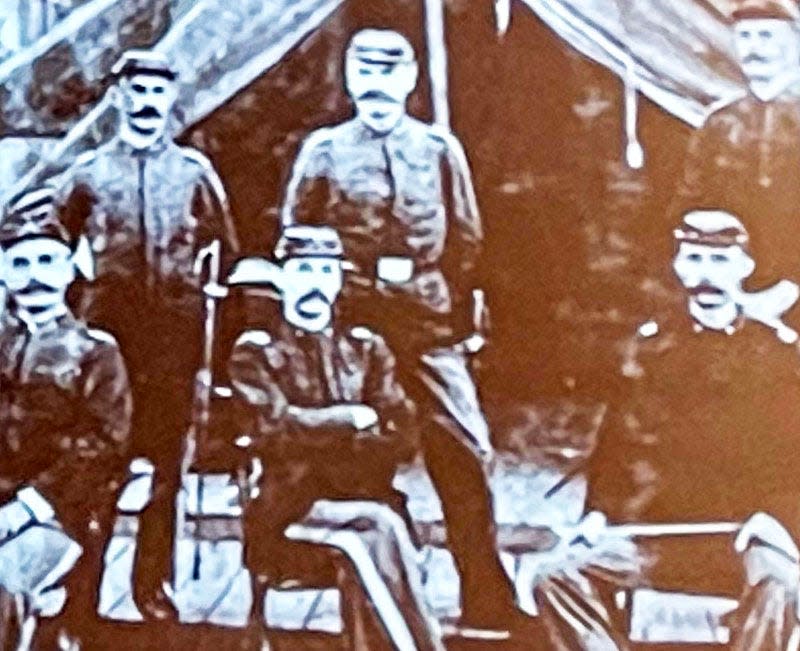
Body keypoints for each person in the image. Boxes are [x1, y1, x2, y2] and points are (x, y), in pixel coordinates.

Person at [281, 28, 524, 631]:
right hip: (353, 329)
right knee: (355, 452)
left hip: (427, 327)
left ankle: (485, 596)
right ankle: (367, 601)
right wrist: (349, 277)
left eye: (391, 71)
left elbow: (466, 239)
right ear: (349, 79)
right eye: (365, 71)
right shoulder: (324, 151)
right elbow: (295, 237)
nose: (378, 83)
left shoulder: (440, 150)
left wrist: (436, 295)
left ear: (410, 81)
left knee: (465, 451)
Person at [546, 209, 800, 649]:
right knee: (557, 575)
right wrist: (598, 515)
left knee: (779, 587)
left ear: (746, 267)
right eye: (695, 259)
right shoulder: (650, 347)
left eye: (720, 261)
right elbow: (617, 449)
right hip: (657, 536)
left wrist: (777, 520)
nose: (706, 275)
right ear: (678, 266)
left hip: (744, 534)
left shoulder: (778, 354)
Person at [54, 49, 239, 617]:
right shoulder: (87, 172)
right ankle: (80, 593)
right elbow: (51, 242)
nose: (147, 103)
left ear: (171, 101)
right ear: (117, 97)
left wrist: (208, 302)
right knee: (101, 465)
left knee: (165, 470)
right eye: (135, 91)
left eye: (158, 92)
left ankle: (151, 589)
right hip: (108, 342)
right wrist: (72, 306)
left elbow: (225, 249)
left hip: (172, 343)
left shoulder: (192, 172)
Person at [228, 225, 417, 629]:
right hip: (289, 513)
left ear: (338, 281)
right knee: (380, 531)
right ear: (281, 278)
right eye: (303, 270)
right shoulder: (255, 352)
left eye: (325, 272)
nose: (315, 283)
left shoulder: (366, 348)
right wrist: (351, 420)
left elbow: (402, 435)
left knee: (377, 532)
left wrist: (313, 432)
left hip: (364, 496)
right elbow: (273, 429)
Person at [0, 187, 132, 647]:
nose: (33, 276)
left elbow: (101, 448)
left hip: (61, 513)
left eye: (45, 261)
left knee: (5, 583)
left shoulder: (97, 352)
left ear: (69, 268)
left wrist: (25, 510)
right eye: (19, 264)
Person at [675, 0, 800, 281]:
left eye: (766, 35)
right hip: (736, 285)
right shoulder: (720, 123)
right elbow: (690, 204)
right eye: (745, 36)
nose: (753, 49)